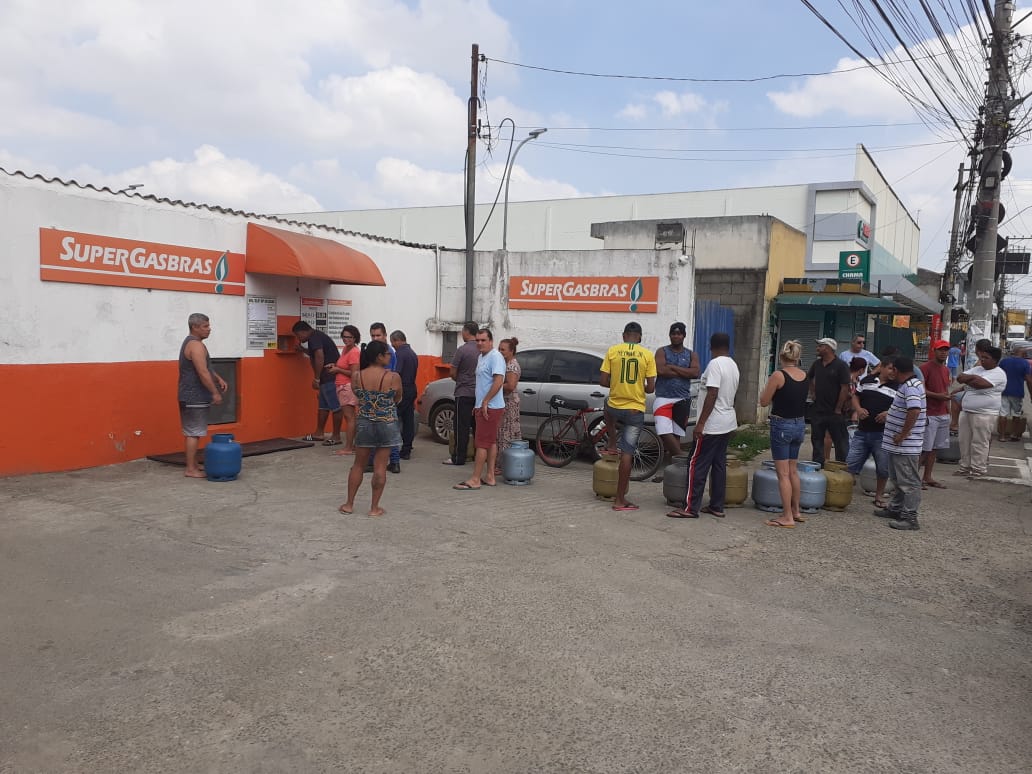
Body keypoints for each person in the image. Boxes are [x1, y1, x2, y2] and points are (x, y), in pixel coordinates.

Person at [667, 332, 739, 519]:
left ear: (711, 346)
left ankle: (690, 508)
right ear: (728, 346)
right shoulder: (733, 365)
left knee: (696, 464)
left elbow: (712, 393)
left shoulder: (715, 365)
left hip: (712, 425)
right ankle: (717, 506)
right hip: (727, 422)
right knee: (718, 464)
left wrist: (700, 424)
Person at [338, 340, 402, 518]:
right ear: (379, 356)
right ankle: (374, 508)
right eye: (387, 353)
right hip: (386, 423)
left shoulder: (357, 376)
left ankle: (349, 504)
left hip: (365, 422)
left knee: (358, 464)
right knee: (380, 466)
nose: (389, 356)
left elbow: (357, 394)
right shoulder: (393, 377)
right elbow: (398, 397)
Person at [599, 321, 657, 512]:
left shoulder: (613, 351)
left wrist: (618, 384)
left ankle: (612, 440)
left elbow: (603, 381)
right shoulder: (647, 355)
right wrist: (637, 386)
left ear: (624, 336)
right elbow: (651, 388)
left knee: (607, 404)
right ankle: (619, 500)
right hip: (634, 410)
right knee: (627, 454)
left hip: (615, 406)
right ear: (639, 337)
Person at [757, 340, 808, 528]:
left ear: (781, 356)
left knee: (783, 474)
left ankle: (787, 517)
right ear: (798, 357)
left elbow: (763, 401)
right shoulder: (804, 375)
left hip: (782, 425)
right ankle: (796, 510)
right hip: (799, 424)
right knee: (793, 470)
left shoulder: (778, 375)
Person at [874, 357, 927, 531]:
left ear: (896, 370)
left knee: (909, 482)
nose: (889, 372)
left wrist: (903, 434)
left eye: (891, 369)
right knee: (898, 480)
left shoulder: (911, 387)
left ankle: (910, 517)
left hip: (906, 446)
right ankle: (896, 508)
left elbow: (914, 410)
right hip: (898, 445)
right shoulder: (907, 385)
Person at [454, 329, 506, 490]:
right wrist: (478, 404)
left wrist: (485, 401)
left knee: (481, 443)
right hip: (482, 406)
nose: (479, 343)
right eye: (477, 340)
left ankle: (475, 479)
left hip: (490, 407)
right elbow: (483, 383)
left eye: (483, 340)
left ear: (491, 341)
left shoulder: (495, 357)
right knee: (490, 442)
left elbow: (498, 381)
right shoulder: (481, 357)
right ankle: (490, 476)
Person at [178, 313, 227, 478]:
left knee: (194, 432)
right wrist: (215, 393)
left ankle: (193, 464)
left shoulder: (194, 344)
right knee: (193, 432)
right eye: (205, 326)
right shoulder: (195, 345)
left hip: (190, 396)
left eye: (208, 325)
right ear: (195, 327)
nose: (209, 329)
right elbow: (202, 372)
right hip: (194, 396)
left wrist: (218, 378)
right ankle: (190, 469)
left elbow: (206, 368)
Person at [847, 355, 898, 509]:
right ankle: (843, 492)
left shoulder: (898, 387)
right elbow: (856, 396)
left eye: (895, 370)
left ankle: (879, 496)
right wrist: (858, 409)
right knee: (850, 464)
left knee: (883, 468)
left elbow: (901, 407)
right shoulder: (867, 381)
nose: (893, 372)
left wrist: (888, 413)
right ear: (882, 367)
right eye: (890, 368)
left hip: (882, 435)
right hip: (862, 432)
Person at [652, 321, 700, 482]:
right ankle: (684, 461)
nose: (676, 336)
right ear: (670, 335)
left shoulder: (691, 354)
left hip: (682, 399)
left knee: (676, 435)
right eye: (673, 333)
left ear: (684, 336)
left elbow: (695, 373)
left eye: (679, 334)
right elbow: (660, 370)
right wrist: (684, 372)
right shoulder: (662, 351)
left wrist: (672, 368)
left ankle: (672, 474)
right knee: (664, 432)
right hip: (663, 398)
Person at [955, 346, 1006, 478]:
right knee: (964, 441)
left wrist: (970, 378)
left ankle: (978, 468)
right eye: (981, 357)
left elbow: (980, 384)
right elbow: (960, 377)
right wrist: (973, 378)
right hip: (967, 411)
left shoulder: (998, 373)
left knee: (979, 442)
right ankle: (965, 466)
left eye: (986, 358)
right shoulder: (978, 369)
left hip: (984, 413)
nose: (982, 360)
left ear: (995, 360)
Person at [291, 321, 343, 445]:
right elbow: (315, 353)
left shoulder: (314, 338)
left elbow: (319, 356)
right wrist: (303, 350)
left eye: (298, 335)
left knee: (336, 407)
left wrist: (317, 378)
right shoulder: (316, 337)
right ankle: (318, 433)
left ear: (303, 331)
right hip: (326, 378)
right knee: (323, 407)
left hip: (329, 376)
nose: (298, 338)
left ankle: (336, 436)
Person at [808, 337, 851, 466]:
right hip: (818, 410)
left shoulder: (841, 366)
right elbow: (809, 377)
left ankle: (841, 468)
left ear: (827, 348)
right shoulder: (817, 364)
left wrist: (838, 408)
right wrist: (813, 392)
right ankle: (818, 466)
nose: (817, 348)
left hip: (835, 412)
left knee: (840, 442)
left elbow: (845, 388)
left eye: (820, 346)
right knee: (817, 441)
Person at [444, 321, 480, 467]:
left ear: (466, 332)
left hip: (463, 393)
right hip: (479, 394)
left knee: (461, 427)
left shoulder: (462, 350)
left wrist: (461, 380)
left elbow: (452, 372)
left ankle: (459, 457)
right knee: (478, 427)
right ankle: (479, 455)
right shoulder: (483, 350)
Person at [919, 340, 953, 489]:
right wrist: (939, 396)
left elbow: (946, 391)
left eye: (946, 350)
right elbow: (921, 390)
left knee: (935, 448)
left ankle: (927, 477)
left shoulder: (946, 370)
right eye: (940, 350)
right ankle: (913, 478)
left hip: (942, 413)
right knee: (924, 448)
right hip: (929, 413)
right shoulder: (925, 368)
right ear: (934, 351)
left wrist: (948, 410)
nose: (943, 352)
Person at [369, 323, 401, 473]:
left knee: (384, 431)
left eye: (378, 335)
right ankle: (387, 462)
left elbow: (387, 375)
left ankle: (392, 461)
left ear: (385, 335)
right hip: (377, 396)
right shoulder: (376, 350)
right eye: (373, 335)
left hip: (384, 396)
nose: (375, 338)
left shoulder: (388, 353)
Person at [325, 325, 361, 455]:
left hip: (347, 387)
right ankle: (354, 445)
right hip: (342, 386)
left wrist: (338, 370)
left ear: (355, 338)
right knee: (351, 417)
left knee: (350, 418)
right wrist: (335, 366)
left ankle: (349, 447)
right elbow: (344, 366)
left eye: (350, 337)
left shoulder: (354, 352)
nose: (346, 339)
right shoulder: (346, 349)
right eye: (344, 337)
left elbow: (354, 373)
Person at [390, 330, 419, 460]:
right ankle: (407, 448)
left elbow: (397, 373)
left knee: (393, 419)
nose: (392, 345)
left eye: (393, 342)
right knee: (408, 421)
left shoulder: (400, 354)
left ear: (397, 341)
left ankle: (393, 449)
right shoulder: (412, 353)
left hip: (403, 389)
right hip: (412, 388)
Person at [495, 337, 522, 470]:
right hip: (505, 402)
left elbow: (511, 386)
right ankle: (502, 464)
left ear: (511, 351)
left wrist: (496, 385)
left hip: (509, 404)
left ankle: (504, 465)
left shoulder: (512, 366)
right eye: (499, 349)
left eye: (503, 350)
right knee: (502, 434)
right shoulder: (505, 364)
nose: (500, 352)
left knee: (507, 435)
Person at [997, 343, 1032, 442]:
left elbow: (998, 374)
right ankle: (1014, 434)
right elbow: (1029, 380)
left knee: (1003, 413)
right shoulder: (1025, 363)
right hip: (1017, 392)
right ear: (1023, 354)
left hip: (1004, 391)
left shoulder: (1004, 361)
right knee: (1016, 414)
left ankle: (1002, 436)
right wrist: (1031, 394)